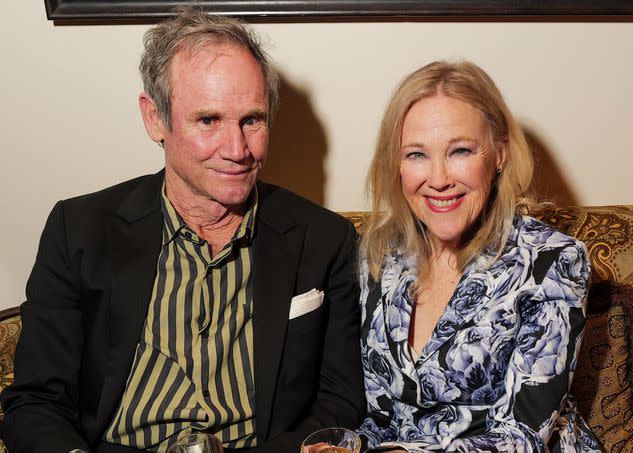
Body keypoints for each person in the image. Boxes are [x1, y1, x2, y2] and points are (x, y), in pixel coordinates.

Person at [0, 7, 364, 453]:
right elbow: (36, 401)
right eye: (208, 120)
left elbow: (339, 401)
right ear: (155, 119)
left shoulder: (325, 240)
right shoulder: (79, 231)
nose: (237, 149)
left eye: (252, 119)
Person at [356, 60, 600, 452]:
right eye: (416, 154)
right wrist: (348, 445)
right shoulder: (381, 255)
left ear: (499, 155)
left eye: (460, 151)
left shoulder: (552, 261)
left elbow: (522, 436)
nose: (438, 179)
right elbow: (383, 417)